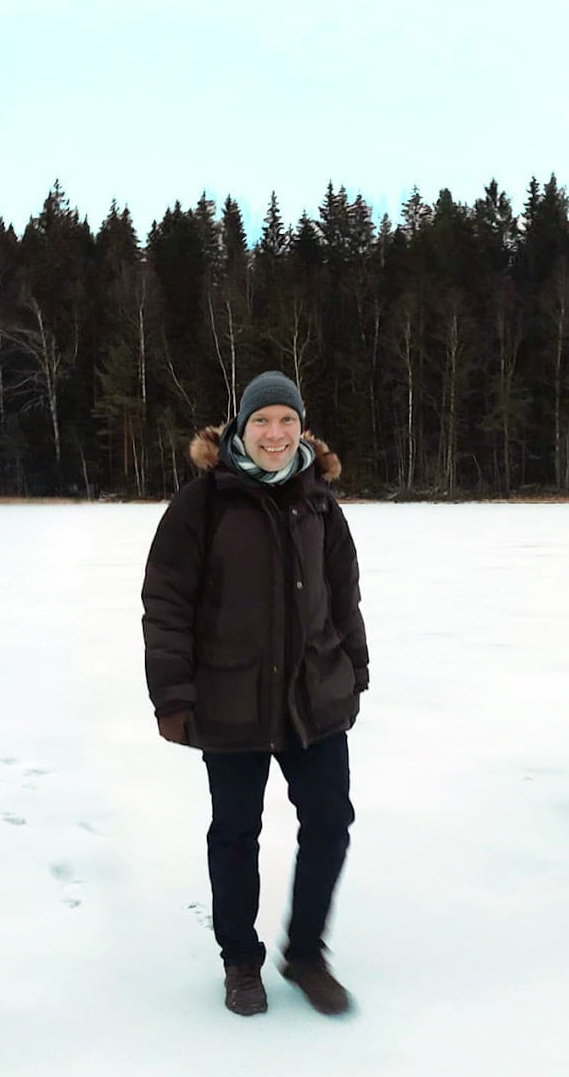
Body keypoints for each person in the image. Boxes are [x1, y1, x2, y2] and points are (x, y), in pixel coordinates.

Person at [142, 371, 369, 1017]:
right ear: (241, 427)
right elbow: (166, 603)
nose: (275, 434)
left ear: (303, 429)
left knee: (330, 823)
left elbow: (344, 596)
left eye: (287, 421)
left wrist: (355, 669)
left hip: (313, 698)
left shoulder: (320, 503)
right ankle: (241, 962)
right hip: (230, 699)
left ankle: (306, 955)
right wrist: (173, 695)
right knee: (237, 834)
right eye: (263, 421)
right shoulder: (203, 504)